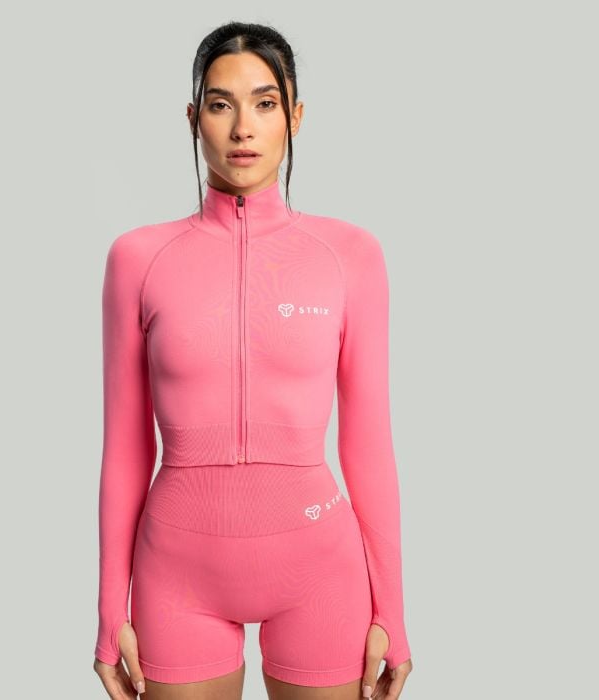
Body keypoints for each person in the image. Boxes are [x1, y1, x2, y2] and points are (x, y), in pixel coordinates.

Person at [92, 21, 413, 700]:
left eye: (265, 104)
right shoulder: (137, 259)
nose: (243, 128)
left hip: (320, 573)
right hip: (176, 576)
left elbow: (369, 445)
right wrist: (107, 609)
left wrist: (394, 612)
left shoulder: (351, 256)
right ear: (193, 118)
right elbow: (124, 450)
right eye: (221, 104)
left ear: (295, 116)